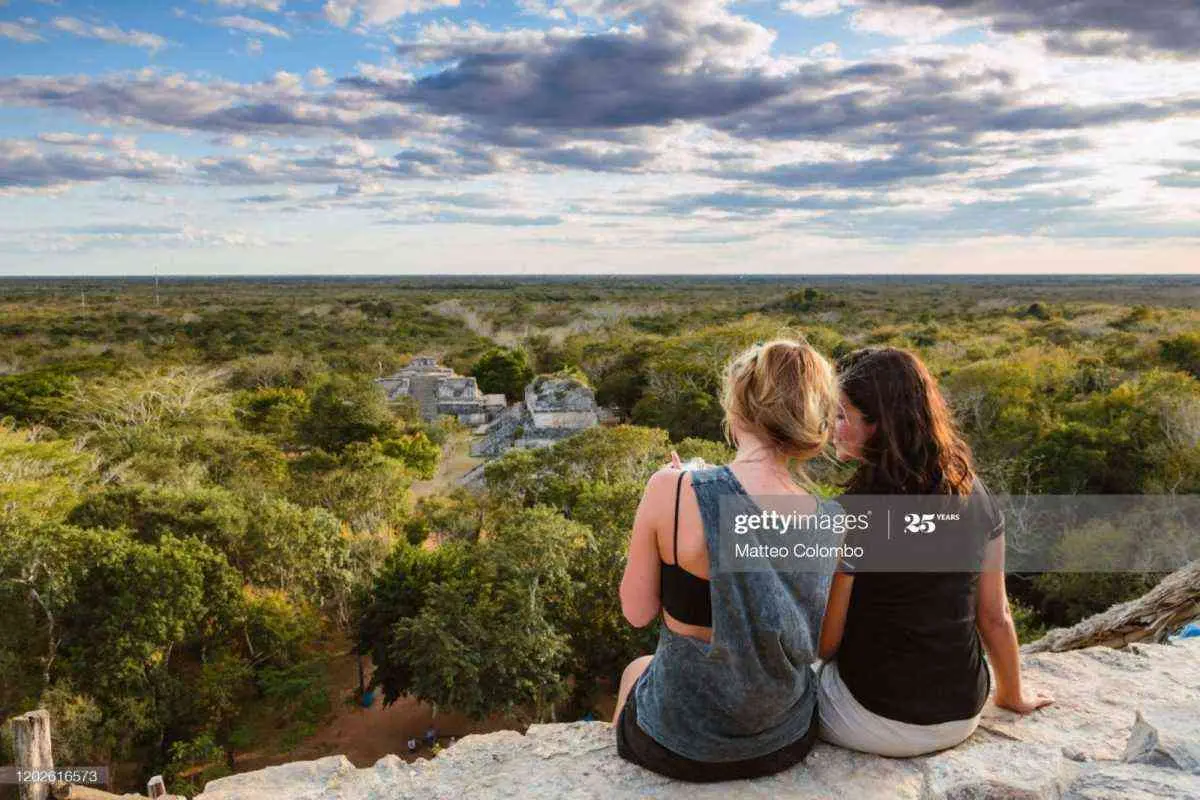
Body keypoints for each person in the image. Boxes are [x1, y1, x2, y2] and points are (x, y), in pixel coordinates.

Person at [614, 338, 842, 781]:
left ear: (737, 409)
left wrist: (673, 489)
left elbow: (636, 612)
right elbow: (818, 643)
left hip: (680, 745)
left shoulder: (672, 490)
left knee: (635, 669)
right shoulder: (829, 520)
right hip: (783, 739)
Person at [817, 347, 1053, 759]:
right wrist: (1013, 695)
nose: (832, 427)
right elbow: (995, 615)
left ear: (880, 427)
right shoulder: (973, 493)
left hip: (873, 719)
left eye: (842, 416)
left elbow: (826, 645)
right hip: (962, 712)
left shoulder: (851, 514)